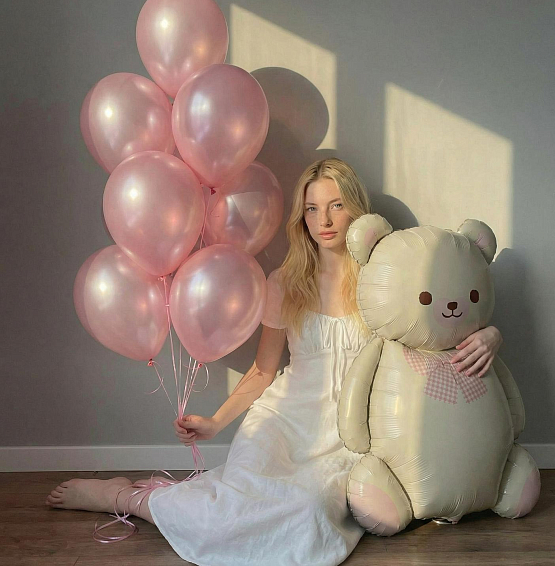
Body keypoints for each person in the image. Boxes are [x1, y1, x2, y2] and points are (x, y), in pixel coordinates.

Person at [46, 158, 503, 565]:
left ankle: (145, 498)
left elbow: (437, 329)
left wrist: (490, 335)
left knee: (308, 513)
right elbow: (264, 370)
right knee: (229, 508)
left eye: (336, 206)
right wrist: (215, 422)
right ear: (301, 217)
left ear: (357, 210)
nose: (324, 221)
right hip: (285, 419)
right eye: (312, 209)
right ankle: (128, 498)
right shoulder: (285, 282)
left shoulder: (387, 279)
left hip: (350, 434)